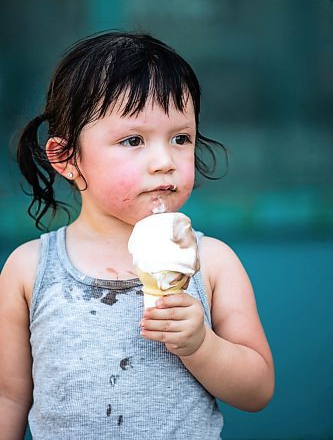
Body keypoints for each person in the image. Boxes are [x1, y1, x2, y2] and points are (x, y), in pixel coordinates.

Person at [0, 32, 274, 440]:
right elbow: (9, 397)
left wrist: (201, 345)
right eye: (133, 140)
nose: (165, 162)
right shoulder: (29, 269)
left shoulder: (212, 262)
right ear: (66, 157)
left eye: (181, 138)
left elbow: (258, 390)